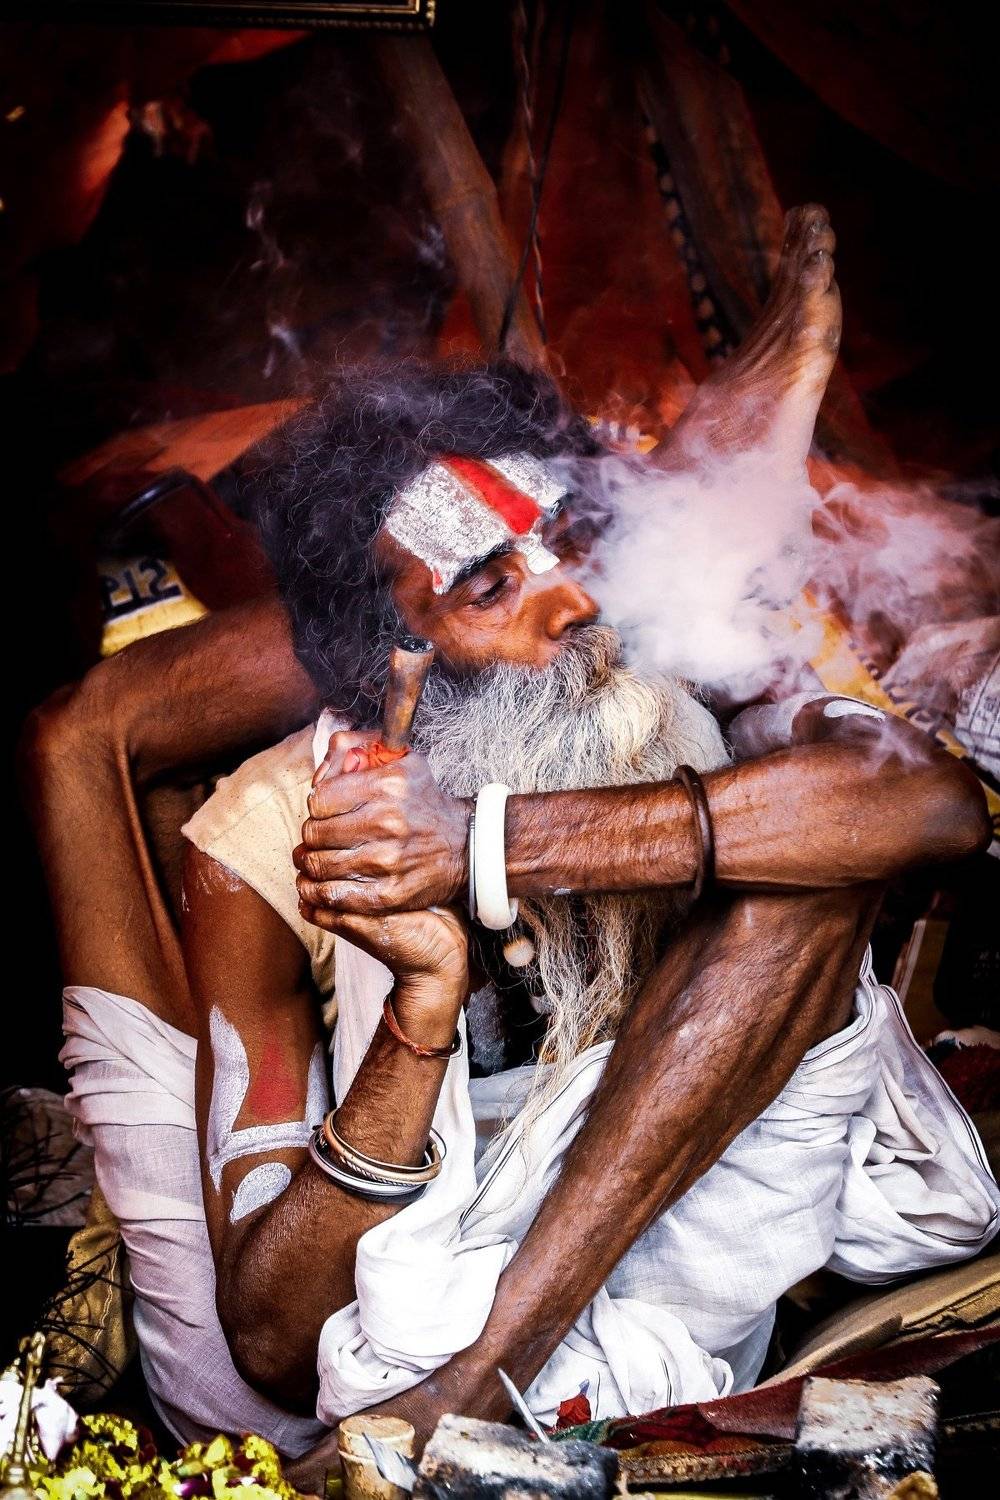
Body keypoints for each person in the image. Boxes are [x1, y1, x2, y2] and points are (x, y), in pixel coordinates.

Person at [27, 207, 996, 1479]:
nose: (574, 600)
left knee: (808, 856)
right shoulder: (271, 837)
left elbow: (931, 807)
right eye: (490, 584)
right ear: (391, 664)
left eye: (573, 542)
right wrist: (420, 1012)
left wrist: (485, 845)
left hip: (587, 1322)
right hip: (377, 1348)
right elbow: (268, 1336)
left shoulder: (665, 676)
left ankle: (480, 1386)